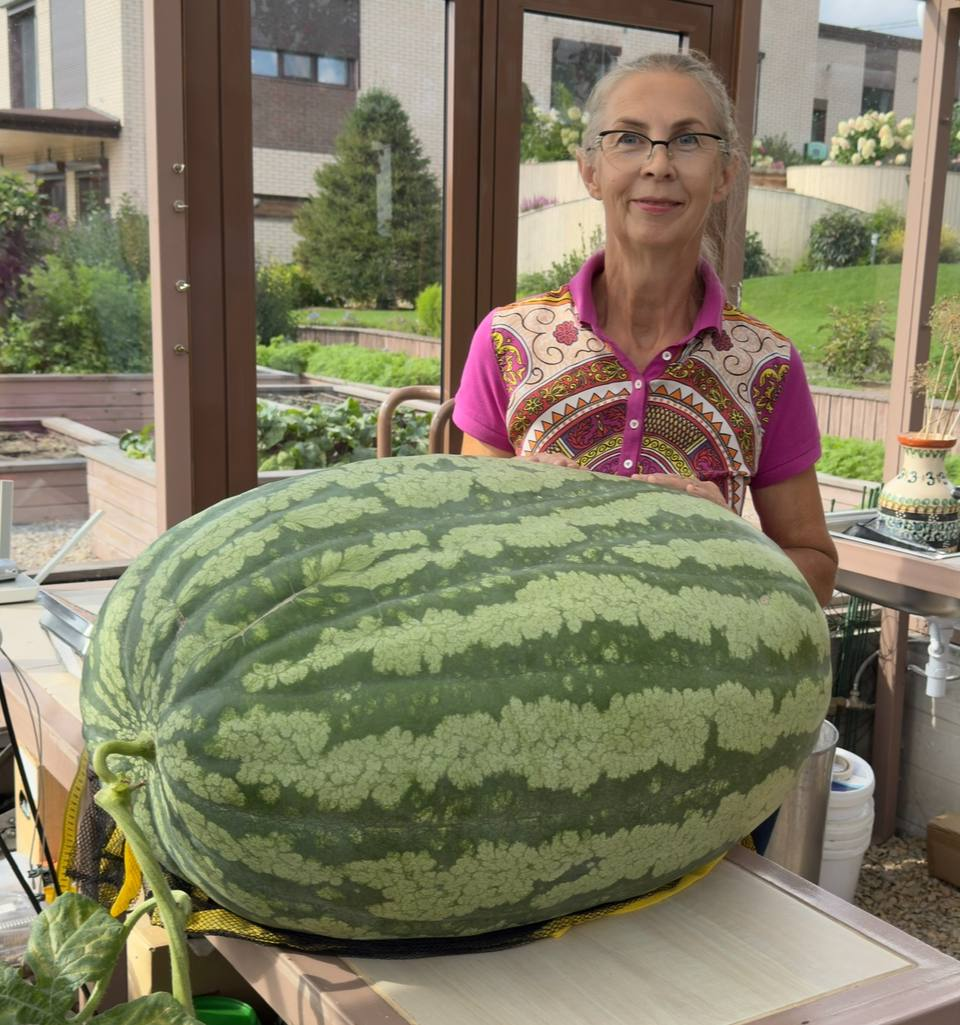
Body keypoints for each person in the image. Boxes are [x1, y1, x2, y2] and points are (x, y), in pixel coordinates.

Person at [453, 50, 837, 607]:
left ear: (726, 174)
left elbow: (818, 573)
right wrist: (510, 503)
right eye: (629, 138)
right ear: (590, 170)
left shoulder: (766, 364)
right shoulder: (509, 339)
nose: (658, 165)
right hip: (533, 658)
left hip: (705, 662)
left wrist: (731, 544)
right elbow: (459, 543)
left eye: (688, 140)